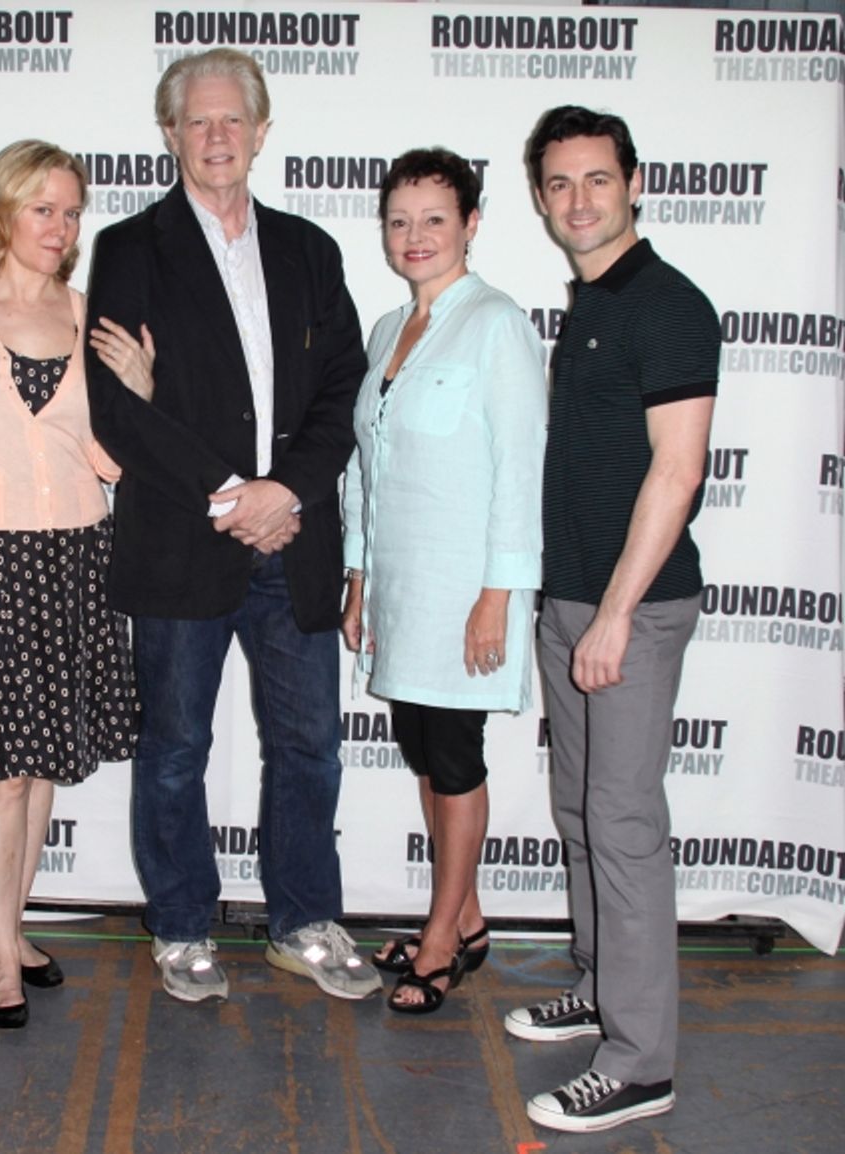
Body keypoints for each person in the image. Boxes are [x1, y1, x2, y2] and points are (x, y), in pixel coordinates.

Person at [84, 48, 379, 1004]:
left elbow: (343, 388)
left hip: (294, 542)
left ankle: (304, 922)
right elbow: (117, 409)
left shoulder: (309, 250)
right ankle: (180, 925)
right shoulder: (130, 250)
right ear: (170, 134)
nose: (217, 136)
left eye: (232, 119)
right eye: (197, 121)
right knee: (176, 750)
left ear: (261, 131)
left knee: (310, 747)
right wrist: (230, 495)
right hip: (183, 543)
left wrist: (283, 492)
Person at [504, 106, 719, 1133]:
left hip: (632, 608)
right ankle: (601, 986)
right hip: (574, 600)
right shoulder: (590, 303)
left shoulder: (668, 306)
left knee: (624, 826)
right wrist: (570, 606)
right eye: (559, 183)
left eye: (597, 179)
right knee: (583, 811)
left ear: (635, 183)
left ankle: (640, 1063)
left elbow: (677, 472)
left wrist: (616, 616)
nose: (579, 200)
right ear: (541, 198)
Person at [0, 142, 140, 1029]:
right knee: (2, 772)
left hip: (73, 557)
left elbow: (112, 459)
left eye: (72, 211)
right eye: (43, 208)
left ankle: (14, 926)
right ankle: (2, 954)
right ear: (1, 210)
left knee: (41, 765)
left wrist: (140, 390)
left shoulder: (91, 319)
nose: (61, 226)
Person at [341, 149, 546, 1014]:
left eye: (434, 218)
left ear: (471, 224)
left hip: (466, 591)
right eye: (400, 221)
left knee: (455, 758)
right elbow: (367, 467)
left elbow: (520, 470)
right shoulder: (389, 330)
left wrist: (498, 595)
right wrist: (359, 575)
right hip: (402, 587)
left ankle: (439, 941)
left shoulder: (496, 324)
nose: (415, 236)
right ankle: (464, 917)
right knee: (425, 753)